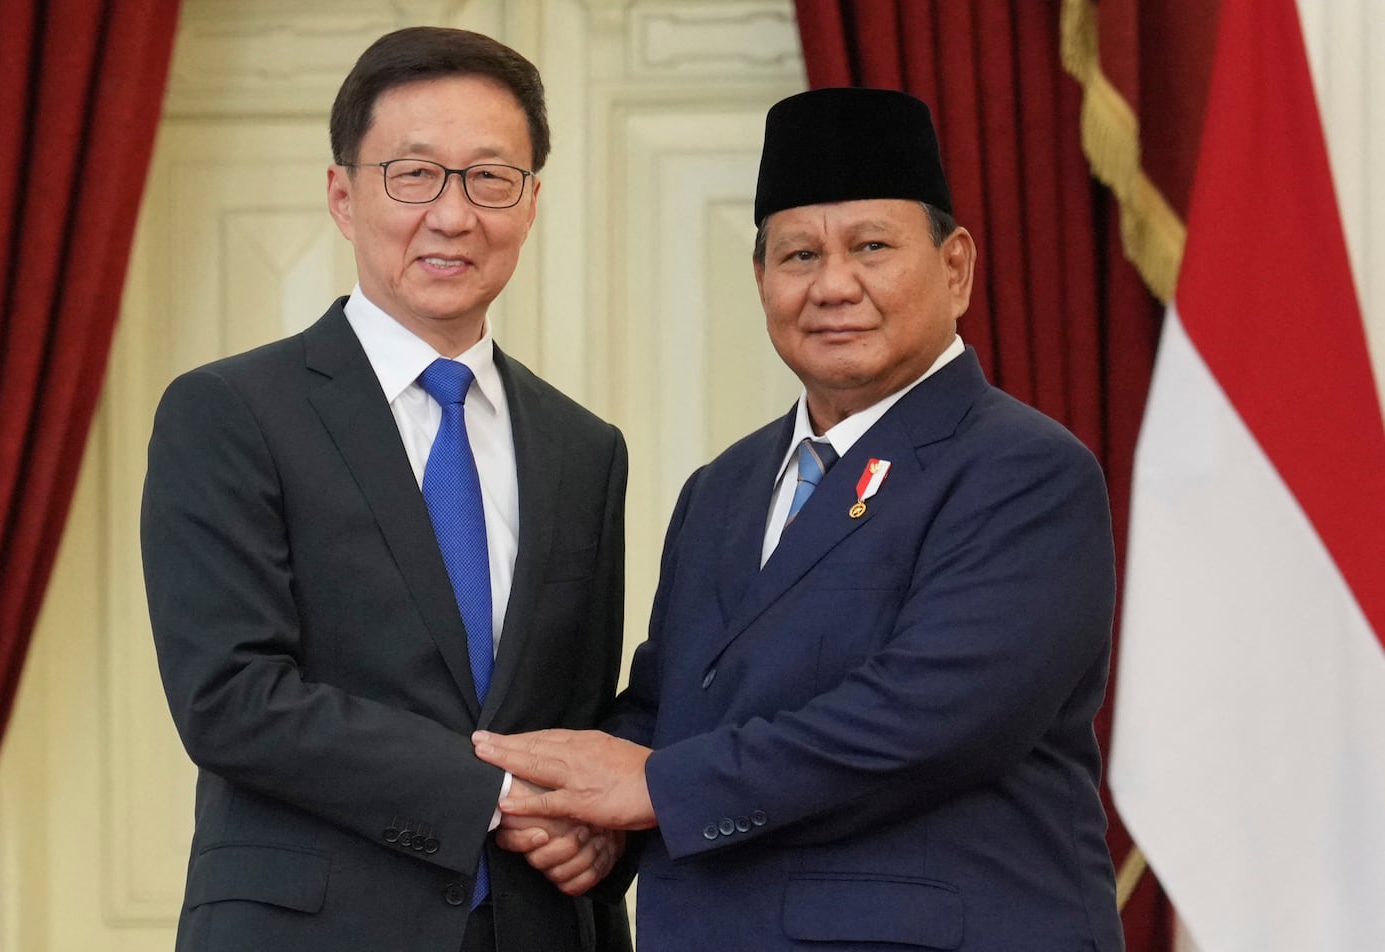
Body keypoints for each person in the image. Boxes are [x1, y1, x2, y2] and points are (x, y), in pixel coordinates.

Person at [474, 87, 1125, 951]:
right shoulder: (725, 486)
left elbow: (925, 722)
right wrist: (587, 817)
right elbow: (672, 704)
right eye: (798, 255)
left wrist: (657, 788)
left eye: (872, 247)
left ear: (957, 267)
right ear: (760, 280)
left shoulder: (1023, 470)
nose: (834, 286)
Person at [141, 27, 631, 952]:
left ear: (529, 205)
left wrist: (601, 834)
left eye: (491, 178)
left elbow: (578, 718)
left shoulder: (583, 448)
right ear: (343, 195)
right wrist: (495, 793)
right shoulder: (230, 412)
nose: (453, 215)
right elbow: (231, 697)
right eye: (414, 174)